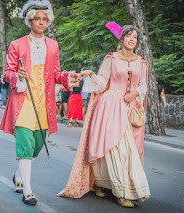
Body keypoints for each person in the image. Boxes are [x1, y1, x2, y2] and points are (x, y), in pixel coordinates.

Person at [58, 24, 150, 208]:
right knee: (116, 149)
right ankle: (121, 192)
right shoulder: (112, 58)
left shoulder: (142, 62)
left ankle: (103, 184)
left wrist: (135, 93)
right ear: (121, 39)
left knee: (126, 151)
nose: (132, 39)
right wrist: (91, 73)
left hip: (130, 109)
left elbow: (144, 85)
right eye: (129, 36)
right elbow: (101, 85)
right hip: (110, 106)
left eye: (135, 37)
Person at [0, 0, 80, 205]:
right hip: (23, 98)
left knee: (37, 143)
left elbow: (55, 74)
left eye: (45, 19)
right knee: (25, 142)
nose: (41, 22)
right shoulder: (16, 44)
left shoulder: (53, 45)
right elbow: (7, 73)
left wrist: (69, 77)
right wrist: (17, 75)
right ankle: (28, 190)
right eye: (37, 19)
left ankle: (18, 175)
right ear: (29, 20)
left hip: (44, 100)